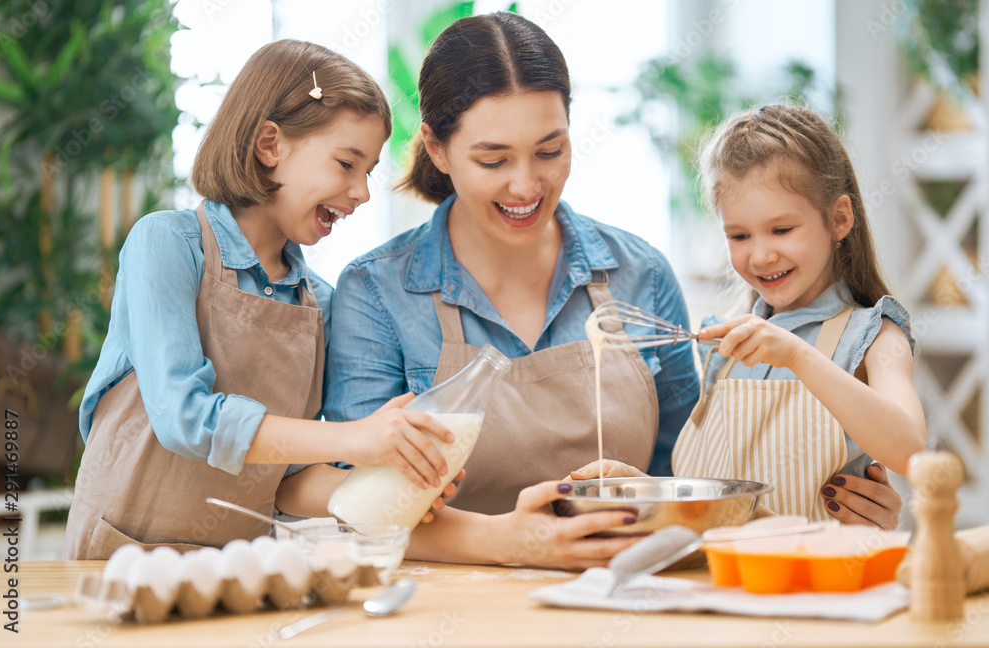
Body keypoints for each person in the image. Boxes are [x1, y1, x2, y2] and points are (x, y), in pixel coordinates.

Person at [276, 12, 700, 569]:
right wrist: (509, 543)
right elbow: (363, 505)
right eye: (493, 159)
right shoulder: (377, 292)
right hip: (443, 609)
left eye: (550, 152)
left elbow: (689, 475)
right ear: (437, 148)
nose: (526, 185)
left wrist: (646, 491)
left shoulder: (639, 274)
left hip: (620, 593)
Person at [63, 40, 455, 560]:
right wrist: (352, 439)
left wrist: (388, 490)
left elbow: (288, 477)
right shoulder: (167, 245)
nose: (362, 192)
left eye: (369, 171)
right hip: (117, 560)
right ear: (270, 145)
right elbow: (185, 417)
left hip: (239, 572)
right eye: (346, 163)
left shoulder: (322, 305)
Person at [577, 104, 925, 524]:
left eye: (782, 229)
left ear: (838, 218)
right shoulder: (724, 347)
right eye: (739, 235)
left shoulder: (874, 335)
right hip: (724, 582)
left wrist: (799, 356)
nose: (760, 255)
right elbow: (717, 496)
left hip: (817, 583)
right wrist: (640, 488)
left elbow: (910, 451)